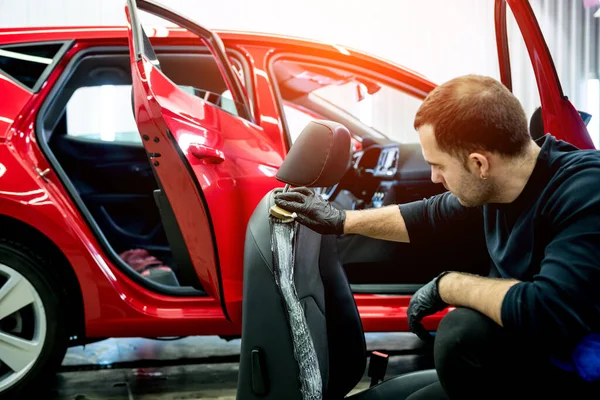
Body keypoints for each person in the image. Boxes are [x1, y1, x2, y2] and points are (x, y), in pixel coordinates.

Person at [274, 74, 600, 399]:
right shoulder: (504, 183)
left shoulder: (585, 190)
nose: (434, 177)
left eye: (439, 165)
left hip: (573, 369)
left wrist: (449, 286)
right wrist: (339, 219)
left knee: (462, 333)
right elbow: (429, 216)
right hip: (528, 355)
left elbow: (548, 309)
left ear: (479, 163)